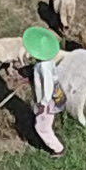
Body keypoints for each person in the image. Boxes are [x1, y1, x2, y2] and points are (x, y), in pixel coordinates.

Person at [20, 21, 66, 154]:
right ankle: (52, 136)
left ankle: (58, 149)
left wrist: (44, 104)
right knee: (45, 120)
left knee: (41, 127)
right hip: (57, 96)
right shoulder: (48, 61)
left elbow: (47, 86)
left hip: (48, 100)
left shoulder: (43, 67)